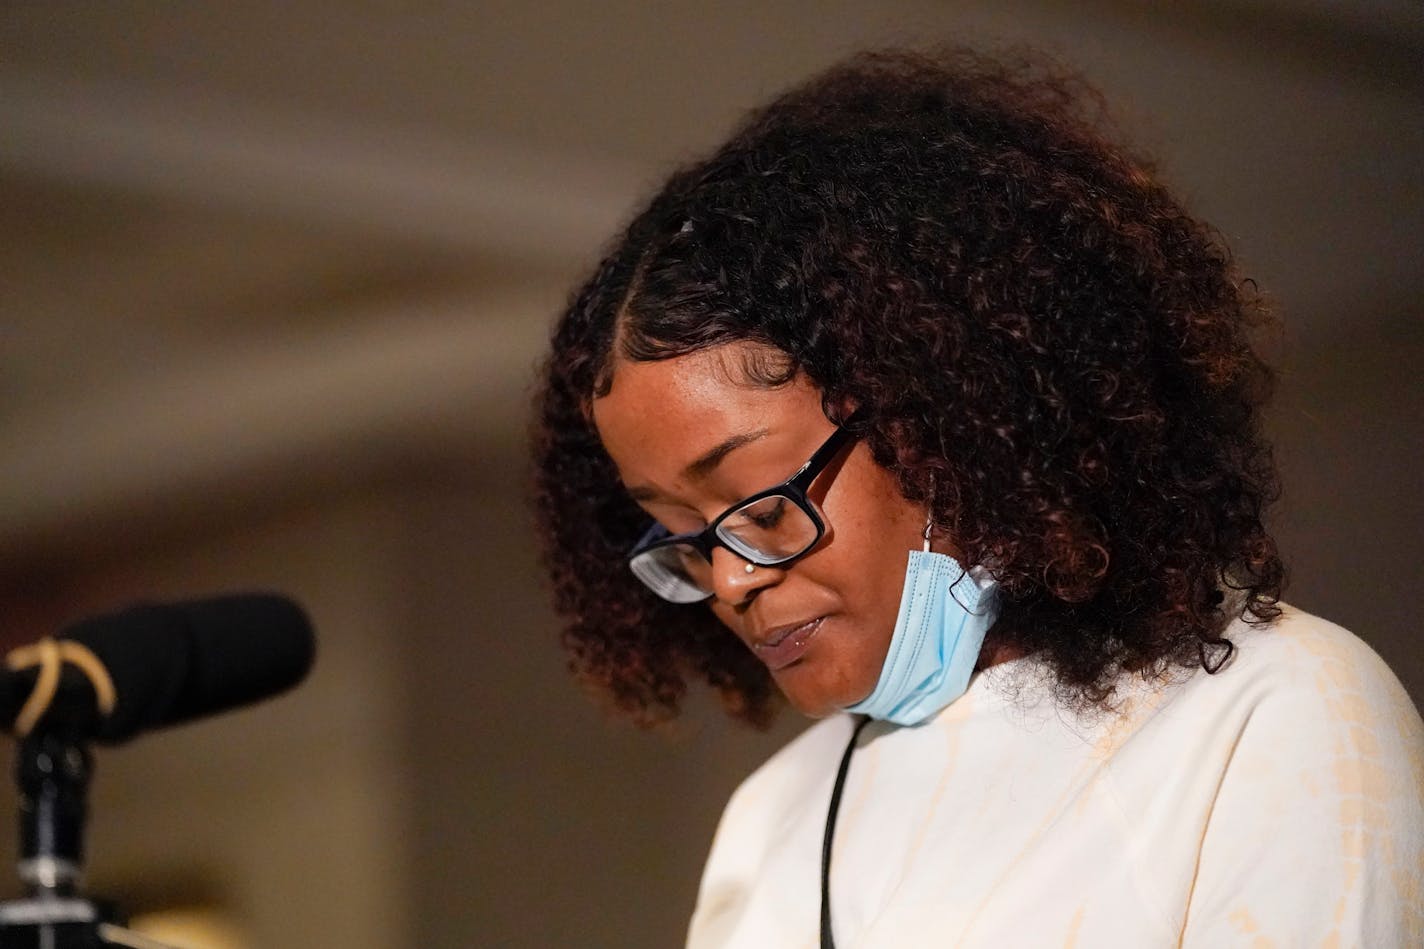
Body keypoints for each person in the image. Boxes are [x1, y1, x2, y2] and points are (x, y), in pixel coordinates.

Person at [532, 47, 1424, 947]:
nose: (729, 584)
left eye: (763, 508)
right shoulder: (771, 822)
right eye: (684, 536)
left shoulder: (1271, 715)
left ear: (939, 419)